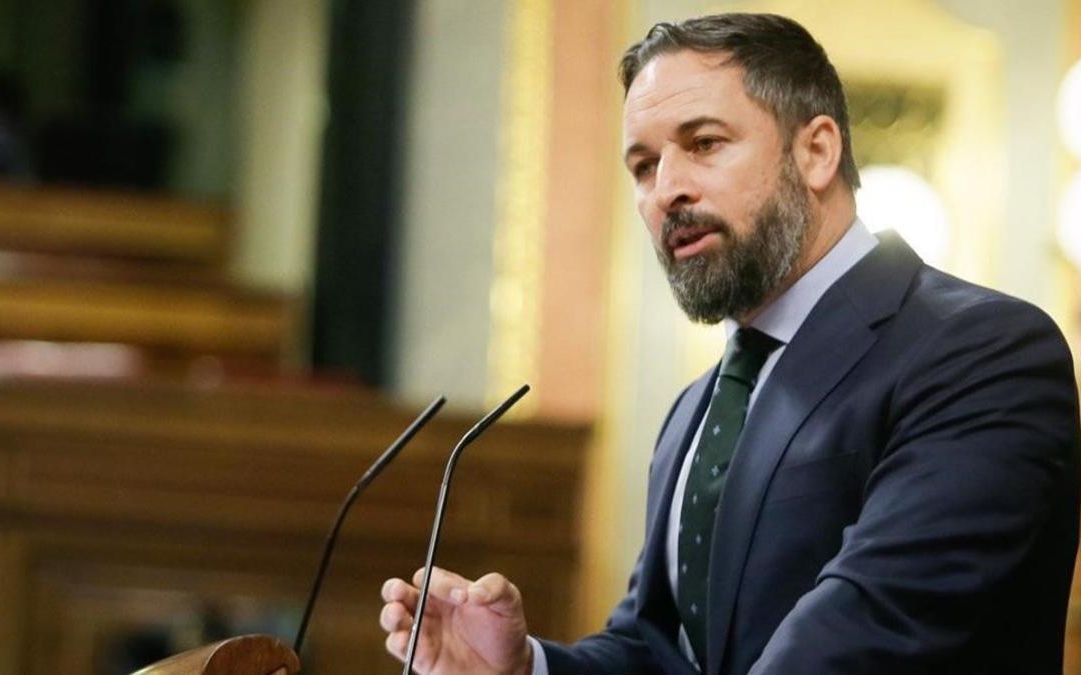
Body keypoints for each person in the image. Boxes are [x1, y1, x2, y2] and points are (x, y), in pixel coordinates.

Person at [379, 13, 1081, 674]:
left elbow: (871, 635)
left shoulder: (982, 350)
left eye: (704, 143)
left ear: (816, 150)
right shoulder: (696, 409)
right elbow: (658, 650)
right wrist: (525, 665)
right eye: (644, 165)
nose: (666, 191)